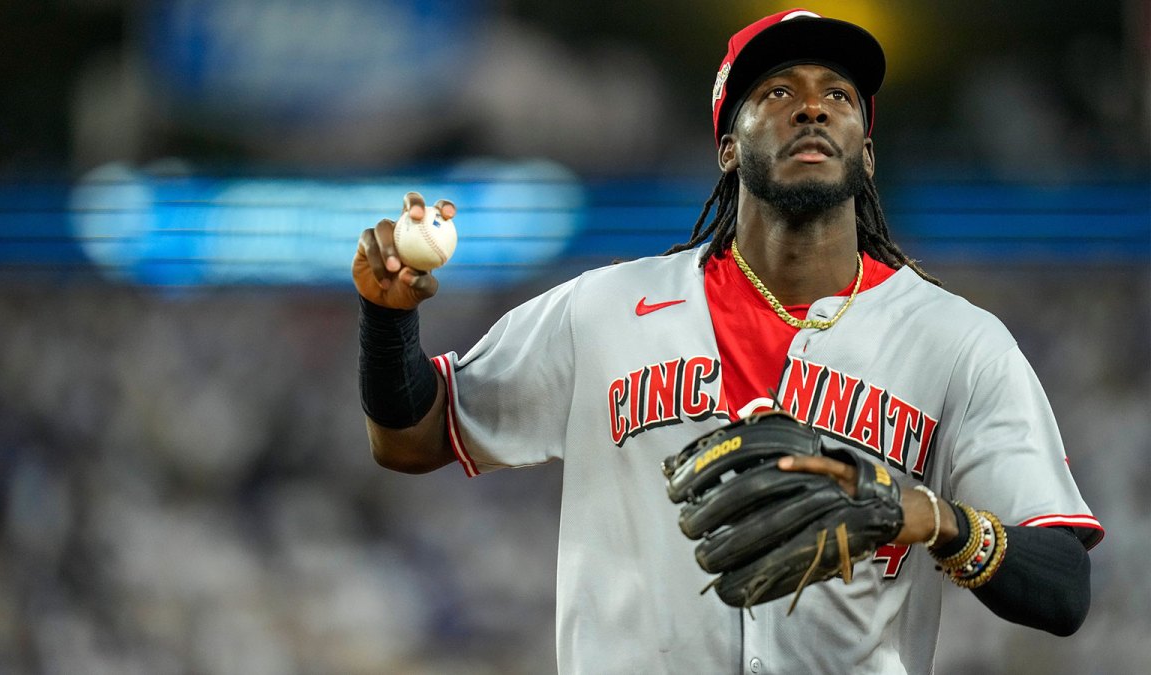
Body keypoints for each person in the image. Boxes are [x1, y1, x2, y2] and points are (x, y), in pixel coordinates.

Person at [353, 8, 1103, 674]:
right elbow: (412, 435)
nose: (811, 106)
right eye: (776, 92)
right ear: (727, 147)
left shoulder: (958, 341)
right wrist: (388, 320)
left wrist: (935, 517)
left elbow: (1062, 587)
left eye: (838, 96)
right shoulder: (605, 308)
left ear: (865, 152)